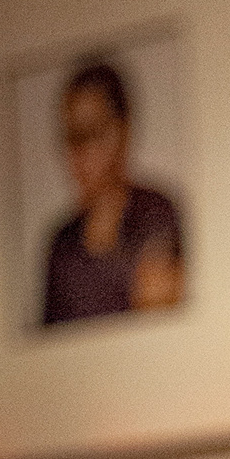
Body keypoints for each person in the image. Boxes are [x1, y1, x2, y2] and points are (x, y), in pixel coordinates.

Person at [40, 58, 185, 325]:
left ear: (123, 131)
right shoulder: (61, 243)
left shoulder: (157, 214)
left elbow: (163, 318)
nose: (79, 153)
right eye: (72, 137)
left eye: (91, 133)